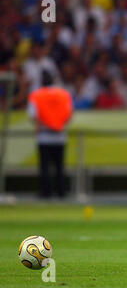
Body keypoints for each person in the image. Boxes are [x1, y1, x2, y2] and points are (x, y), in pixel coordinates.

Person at [27, 70, 73, 199]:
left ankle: (45, 192)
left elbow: (32, 115)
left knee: (44, 167)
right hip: (60, 135)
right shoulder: (64, 94)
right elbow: (69, 114)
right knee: (59, 167)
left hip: (44, 136)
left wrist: (42, 123)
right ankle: (61, 192)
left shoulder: (36, 95)